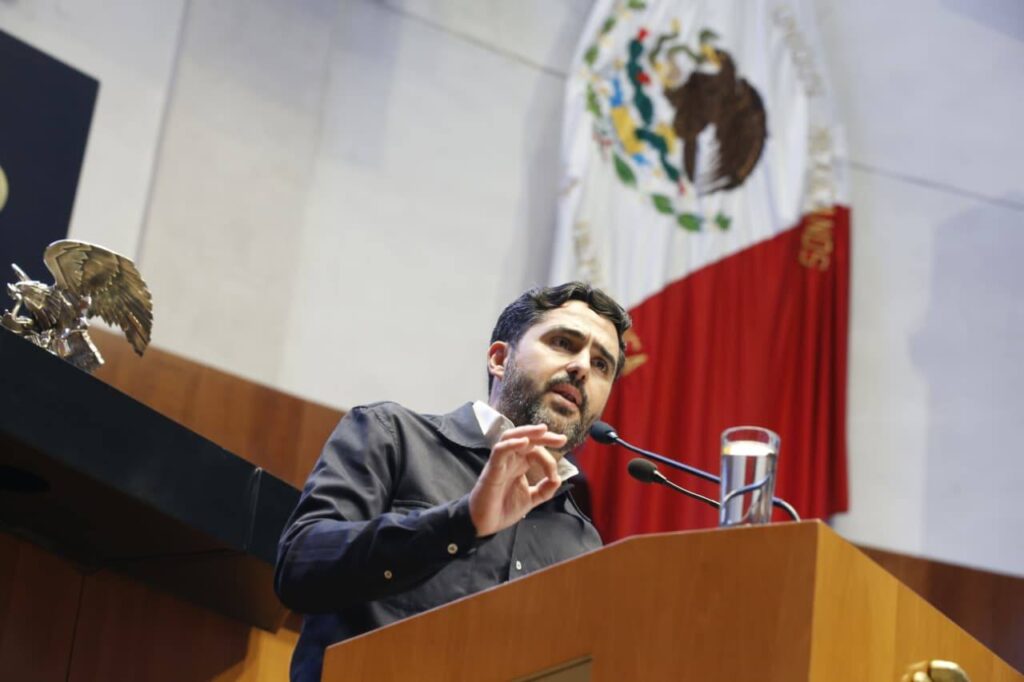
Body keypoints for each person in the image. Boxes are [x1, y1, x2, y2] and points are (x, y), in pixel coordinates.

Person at [274, 282, 632, 681]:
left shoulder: (583, 543)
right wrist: (463, 522)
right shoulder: (393, 436)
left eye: (602, 365)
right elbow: (299, 569)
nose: (582, 367)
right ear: (500, 359)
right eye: (563, 343)